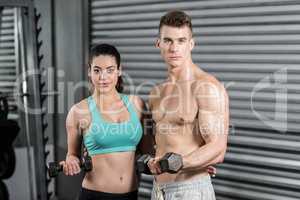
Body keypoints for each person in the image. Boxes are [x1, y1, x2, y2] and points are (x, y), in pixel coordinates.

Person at [147, 10, 229, 200]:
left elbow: (217, 148)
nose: (174, 48)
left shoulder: (206, 87)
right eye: (168, 40)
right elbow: (161, 143)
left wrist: (184, 162)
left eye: (181, 40)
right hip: (158, 191)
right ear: (158, 44)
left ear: (191, 44)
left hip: (190, 190)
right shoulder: (156, 93)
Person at [60, 43, 152, 200]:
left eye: (110, 70)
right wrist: (71, 162)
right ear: (89, 72)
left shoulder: (137, 105)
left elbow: (148, 154)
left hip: (131, 195)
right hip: (94, 195)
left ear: (119, 70)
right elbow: (72, 154)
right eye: (97, 70)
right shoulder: (78, 111)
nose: (103, 77)